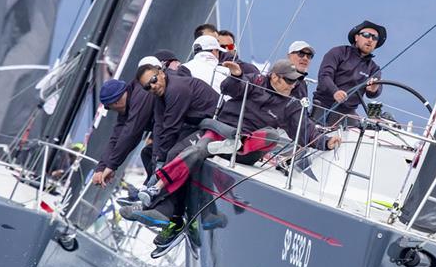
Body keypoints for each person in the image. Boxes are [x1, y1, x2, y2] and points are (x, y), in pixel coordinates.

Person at [124, 60, 340, 251]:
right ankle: (171, 214)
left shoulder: (291, 105)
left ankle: (157, 197)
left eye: (295, 82)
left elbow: (305, 131)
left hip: (245, 147)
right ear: (274, 76)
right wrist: (236, 75)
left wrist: (325, 142)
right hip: (220, 131)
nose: (293, 86)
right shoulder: (254, 81)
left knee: (266, 136)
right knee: (190, 152)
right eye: (289, 81)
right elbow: (227, 88)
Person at [136, 63, 219, 172]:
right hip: (197, 126)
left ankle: (162, 186)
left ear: (161, 74)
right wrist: (155, 160)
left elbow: (171, 128)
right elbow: (159, 127)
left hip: (215, 125)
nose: (153, 86)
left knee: (173, 154)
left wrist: (160, 162)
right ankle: (152, 184)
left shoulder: (175, 89)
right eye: (147, 86)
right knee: (148, 152)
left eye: (154, 80)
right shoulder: (159, 96)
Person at [312, 20, 385, 124]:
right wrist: (335, 92)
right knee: (314, 136)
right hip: (324, 106)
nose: (370, 40)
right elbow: (324, 76)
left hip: (348, 113)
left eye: (374, 38)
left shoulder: (374, 68)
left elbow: (374, 92)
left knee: (367, 132)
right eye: (366, 35)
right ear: (356, 37)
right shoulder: (338, 52)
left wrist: (374, 89)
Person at [92, 74, 156, 185]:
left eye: (110, 107)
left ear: (116, 102)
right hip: (168, 130)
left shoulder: (140, 94)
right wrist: (101, 168)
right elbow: (116, 138)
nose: (113, 111)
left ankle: (154, 191)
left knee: (154, 155)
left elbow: (132, 133)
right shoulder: (126, 108)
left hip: (184, 125)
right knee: (148, 153)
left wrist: (112, 165)